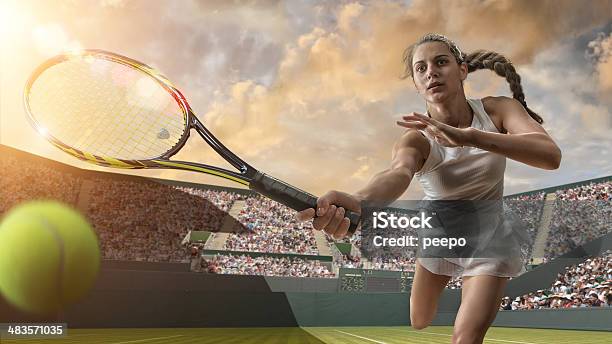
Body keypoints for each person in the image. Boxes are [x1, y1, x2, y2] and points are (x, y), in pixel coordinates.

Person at [297, 33, 561, 344]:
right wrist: (360, 200)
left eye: (441, 62)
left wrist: (470, 137)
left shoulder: (498, 110)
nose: (430, 72)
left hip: (491, 238)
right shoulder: (416, 139)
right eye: (420, 69)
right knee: (419, 320)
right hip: (440, 234)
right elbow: (397, 173)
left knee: (466, 337)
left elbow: (550, 155)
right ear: (416, 83)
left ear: (462, 70)